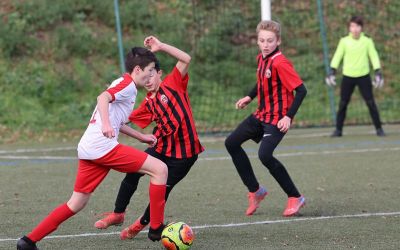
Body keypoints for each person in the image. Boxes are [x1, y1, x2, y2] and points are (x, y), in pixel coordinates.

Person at [17, 47, 168, 250]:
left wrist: (140, 136)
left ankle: (27, 242)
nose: (151, 75)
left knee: (76, 203)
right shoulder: (127, 85)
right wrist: (106, 125)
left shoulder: (123, 84)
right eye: (150, 70)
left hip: (89, 148)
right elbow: (102, 98)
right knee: (160, 169)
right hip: (102, 147)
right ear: (138, 69)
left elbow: (117, 121)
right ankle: (156, 228)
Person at [93, 36, 204, 240]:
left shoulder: (173, 83)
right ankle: (118, 213)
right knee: (133, 172)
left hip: (185, 154)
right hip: (161, 147)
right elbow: (122, 121)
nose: (148, 79)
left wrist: (161, 46)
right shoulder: (147, 104)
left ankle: (142, 224)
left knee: (162, 191)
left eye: (152, 73)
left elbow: (186, 58)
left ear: (160, 73)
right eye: (146, 75)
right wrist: (110, 114)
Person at [225, 20, 307, 217]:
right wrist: (249, 97)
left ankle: (295, 197)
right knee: (231, 143)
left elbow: (301, 91)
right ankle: (256, 191)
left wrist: (288, 117)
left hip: (277, 118)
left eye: (270, 40)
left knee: (265, 155)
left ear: (278, 41)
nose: (266, 44)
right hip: (261, 115)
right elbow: (262, 81)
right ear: (257, 41)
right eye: (262, 40)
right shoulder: (262, 58)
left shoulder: (280, 62)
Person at [325, 16, 385, 137]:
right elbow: (338, 56)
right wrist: (332, 70)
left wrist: (378, 71)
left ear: (361, 28)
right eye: (352, 26)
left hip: (364, 76)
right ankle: (338, 130)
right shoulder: (344, 41)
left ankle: (379, 129)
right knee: (343, 103)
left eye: (357, 26)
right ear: (349, 28)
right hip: (348, 77)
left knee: (370, 102)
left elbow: (373, 56)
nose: (355, 29)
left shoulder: (367, 41)